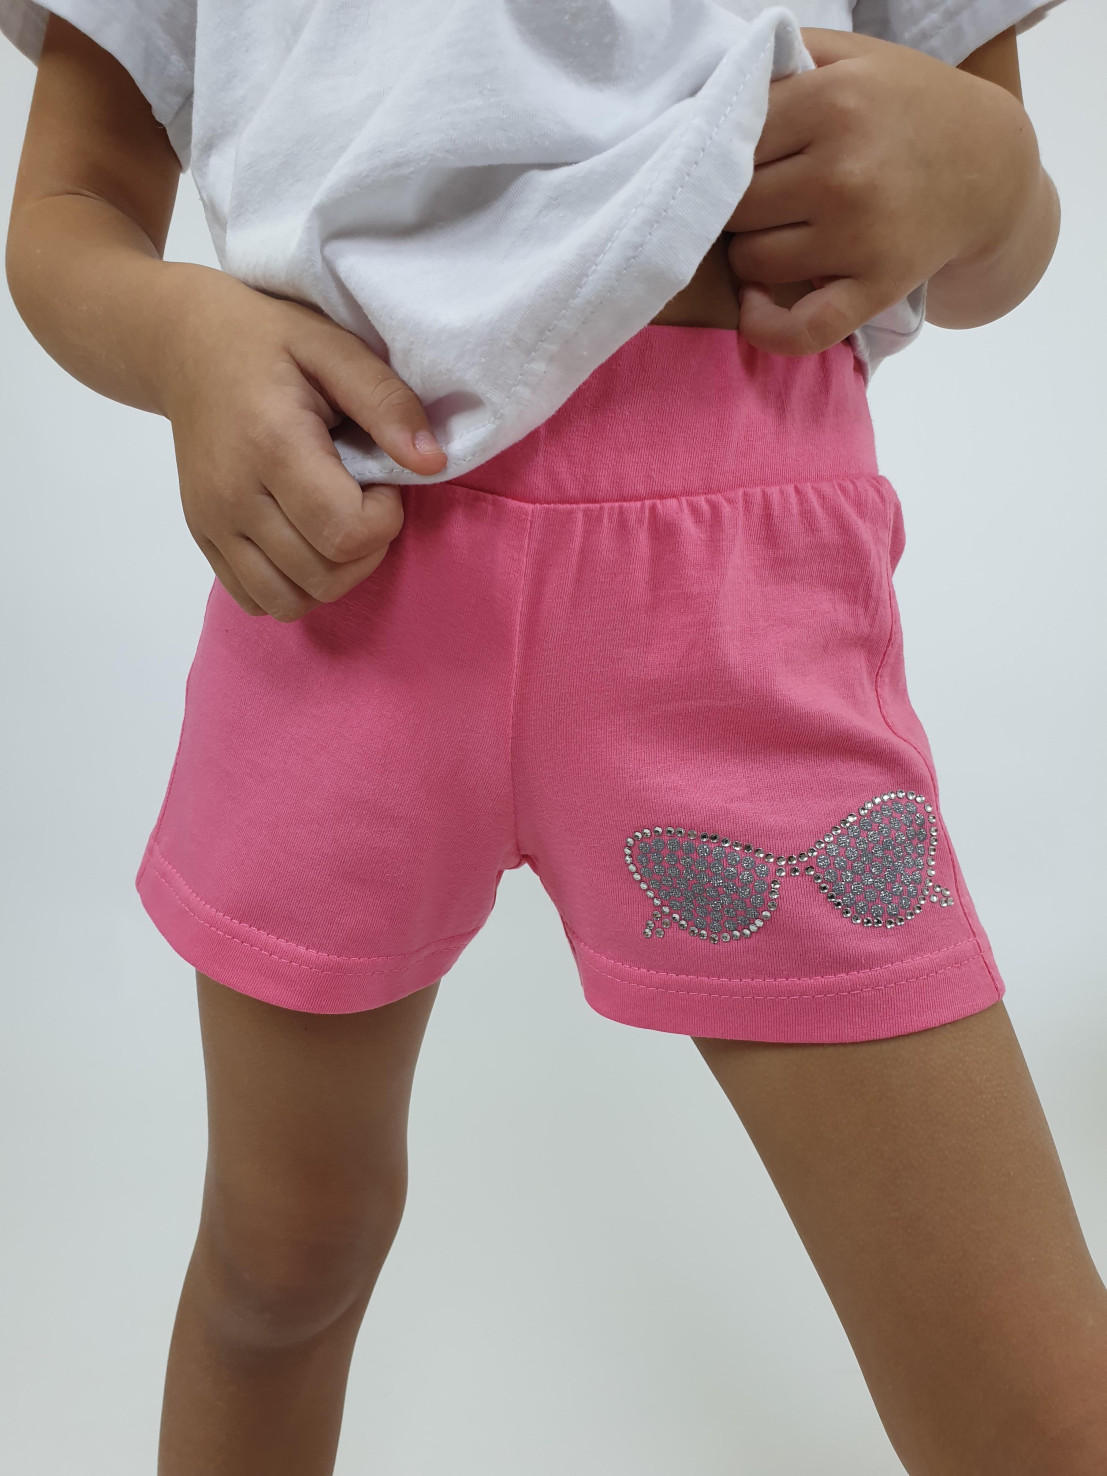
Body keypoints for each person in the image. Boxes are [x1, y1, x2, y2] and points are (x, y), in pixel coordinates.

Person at [3, 2, 1103, 1473]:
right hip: (336, 581)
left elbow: (988, 225)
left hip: (738, 610)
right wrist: (180, 337)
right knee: (278, 1266)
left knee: (1036, 1403)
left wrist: (997, 181)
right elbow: (69, 205)